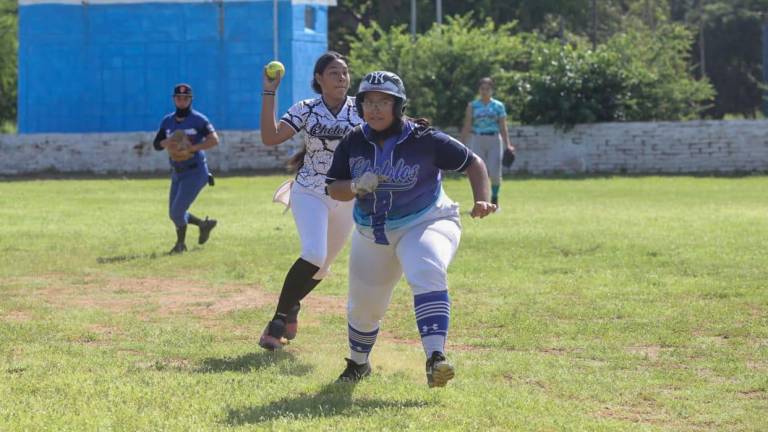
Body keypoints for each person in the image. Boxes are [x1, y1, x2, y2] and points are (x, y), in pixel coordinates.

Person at [325, 71, 496, 387]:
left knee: (425, 267)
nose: (375, 109)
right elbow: (334, 188)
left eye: (384, 102)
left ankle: (435, 358)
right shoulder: (353, 140)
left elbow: (474, 162)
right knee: (365, 306)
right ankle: (359, 364)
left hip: (427, 219)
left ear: (398, 106)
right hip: (372, 232)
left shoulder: (424, 139)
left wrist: (482, 199)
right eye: (369, 102)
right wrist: (354, 185)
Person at [258, 51, 362, 350]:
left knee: (322, 268)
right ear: (319, 79)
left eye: (344, 72)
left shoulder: (362, 108)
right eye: (333, 73)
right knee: (314, 254)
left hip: (346, 196)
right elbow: (270, 137)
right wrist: (269, 92)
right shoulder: (306, 108)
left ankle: (292, 307)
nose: (341, 78)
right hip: (310, 191)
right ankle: (277, 321)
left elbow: (388, 129)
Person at [152, 83, 219, 254]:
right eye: (178, 98)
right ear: (174, 99)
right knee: (174, 213)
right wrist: (165, 142)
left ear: (190, 100)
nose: (182, 101)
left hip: (196, 171)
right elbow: (156, 145)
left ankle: (180, 245)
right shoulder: (167, 121)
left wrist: (191, 148)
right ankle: (204, 225)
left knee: (177, 212)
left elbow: (214, 140)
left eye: (185, 98)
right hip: (177, 171)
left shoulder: (199, 120)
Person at [460, 77, 515, 207]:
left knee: (495, 172)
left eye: (487, 89)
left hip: (494, 139)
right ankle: (481, 201)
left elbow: (503, 126)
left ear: (492, 90)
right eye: (482, 88)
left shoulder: (498, 106)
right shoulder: (473, 105)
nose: (484, 91)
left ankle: (494, 199)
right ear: (479, 90)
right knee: (479, 171)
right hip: (478, 139)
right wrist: (461, 144)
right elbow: (467, 125)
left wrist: (508, 144)